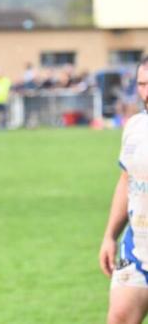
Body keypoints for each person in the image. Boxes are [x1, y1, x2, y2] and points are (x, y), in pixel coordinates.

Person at [100, 56, 148, 324]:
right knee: (118, 318)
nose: (146, 93)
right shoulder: (135, 127)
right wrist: (110, 236)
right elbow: (126, 181)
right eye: (142, 84)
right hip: (137, 249)